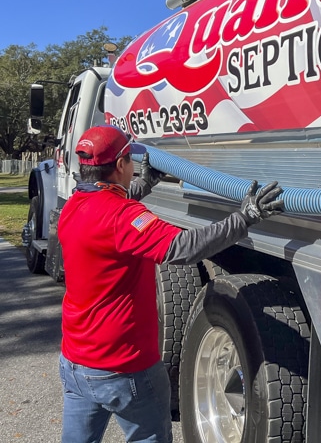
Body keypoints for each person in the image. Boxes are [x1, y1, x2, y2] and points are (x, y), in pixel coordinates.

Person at [57, 124, 283, 443]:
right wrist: (245, 217)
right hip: (125, 370)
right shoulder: (122, 217)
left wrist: (146, 183)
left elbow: (111, 206)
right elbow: (182, 248)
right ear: (121, 165)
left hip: (76, 365)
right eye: (130, 161)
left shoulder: (73, 206)